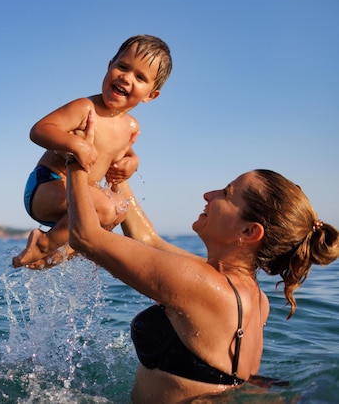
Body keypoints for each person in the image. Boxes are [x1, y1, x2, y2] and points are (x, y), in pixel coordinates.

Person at [65, 140, 339, 402]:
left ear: (249, 231)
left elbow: (86, 236)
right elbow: (148, 242)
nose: (209, 194)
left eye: (227, 194)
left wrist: (75, 156)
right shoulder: (251, 296)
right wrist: (117, 173)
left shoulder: (203, 284)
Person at [13, 34, 172, 269]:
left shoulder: (131, 127)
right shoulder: (85, 108)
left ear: (151, 94)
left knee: (119, 209)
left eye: (140, 77)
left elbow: (122, 155)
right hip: (48, 185)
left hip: (81, 199)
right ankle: (44, 243)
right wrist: (75, 144)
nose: (126, 78)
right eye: (122, 67)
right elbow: (39, 130)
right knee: (107, 207)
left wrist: (132, 162)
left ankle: (52, 257)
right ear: (109, 67)